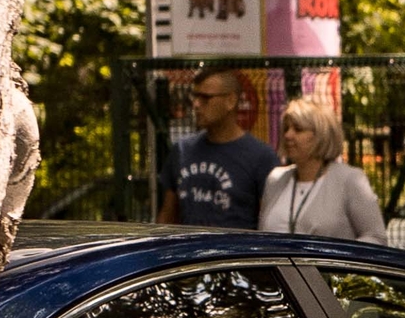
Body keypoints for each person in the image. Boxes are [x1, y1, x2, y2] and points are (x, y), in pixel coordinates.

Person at [259, 94, 386, 240]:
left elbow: (376, 237)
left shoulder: (350, 180)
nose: (288, 135)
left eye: (298, 129)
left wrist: (338, 254)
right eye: (286, 128)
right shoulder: (275, 179)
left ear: (321, 135)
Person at [160, 66, 276, 227]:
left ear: (231, 101)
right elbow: (167, 216)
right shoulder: (182, 150)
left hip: (236, 243)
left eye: (205, 98)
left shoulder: (261, 157)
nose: (196, 104)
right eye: (195, 97)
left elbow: (271, 223)